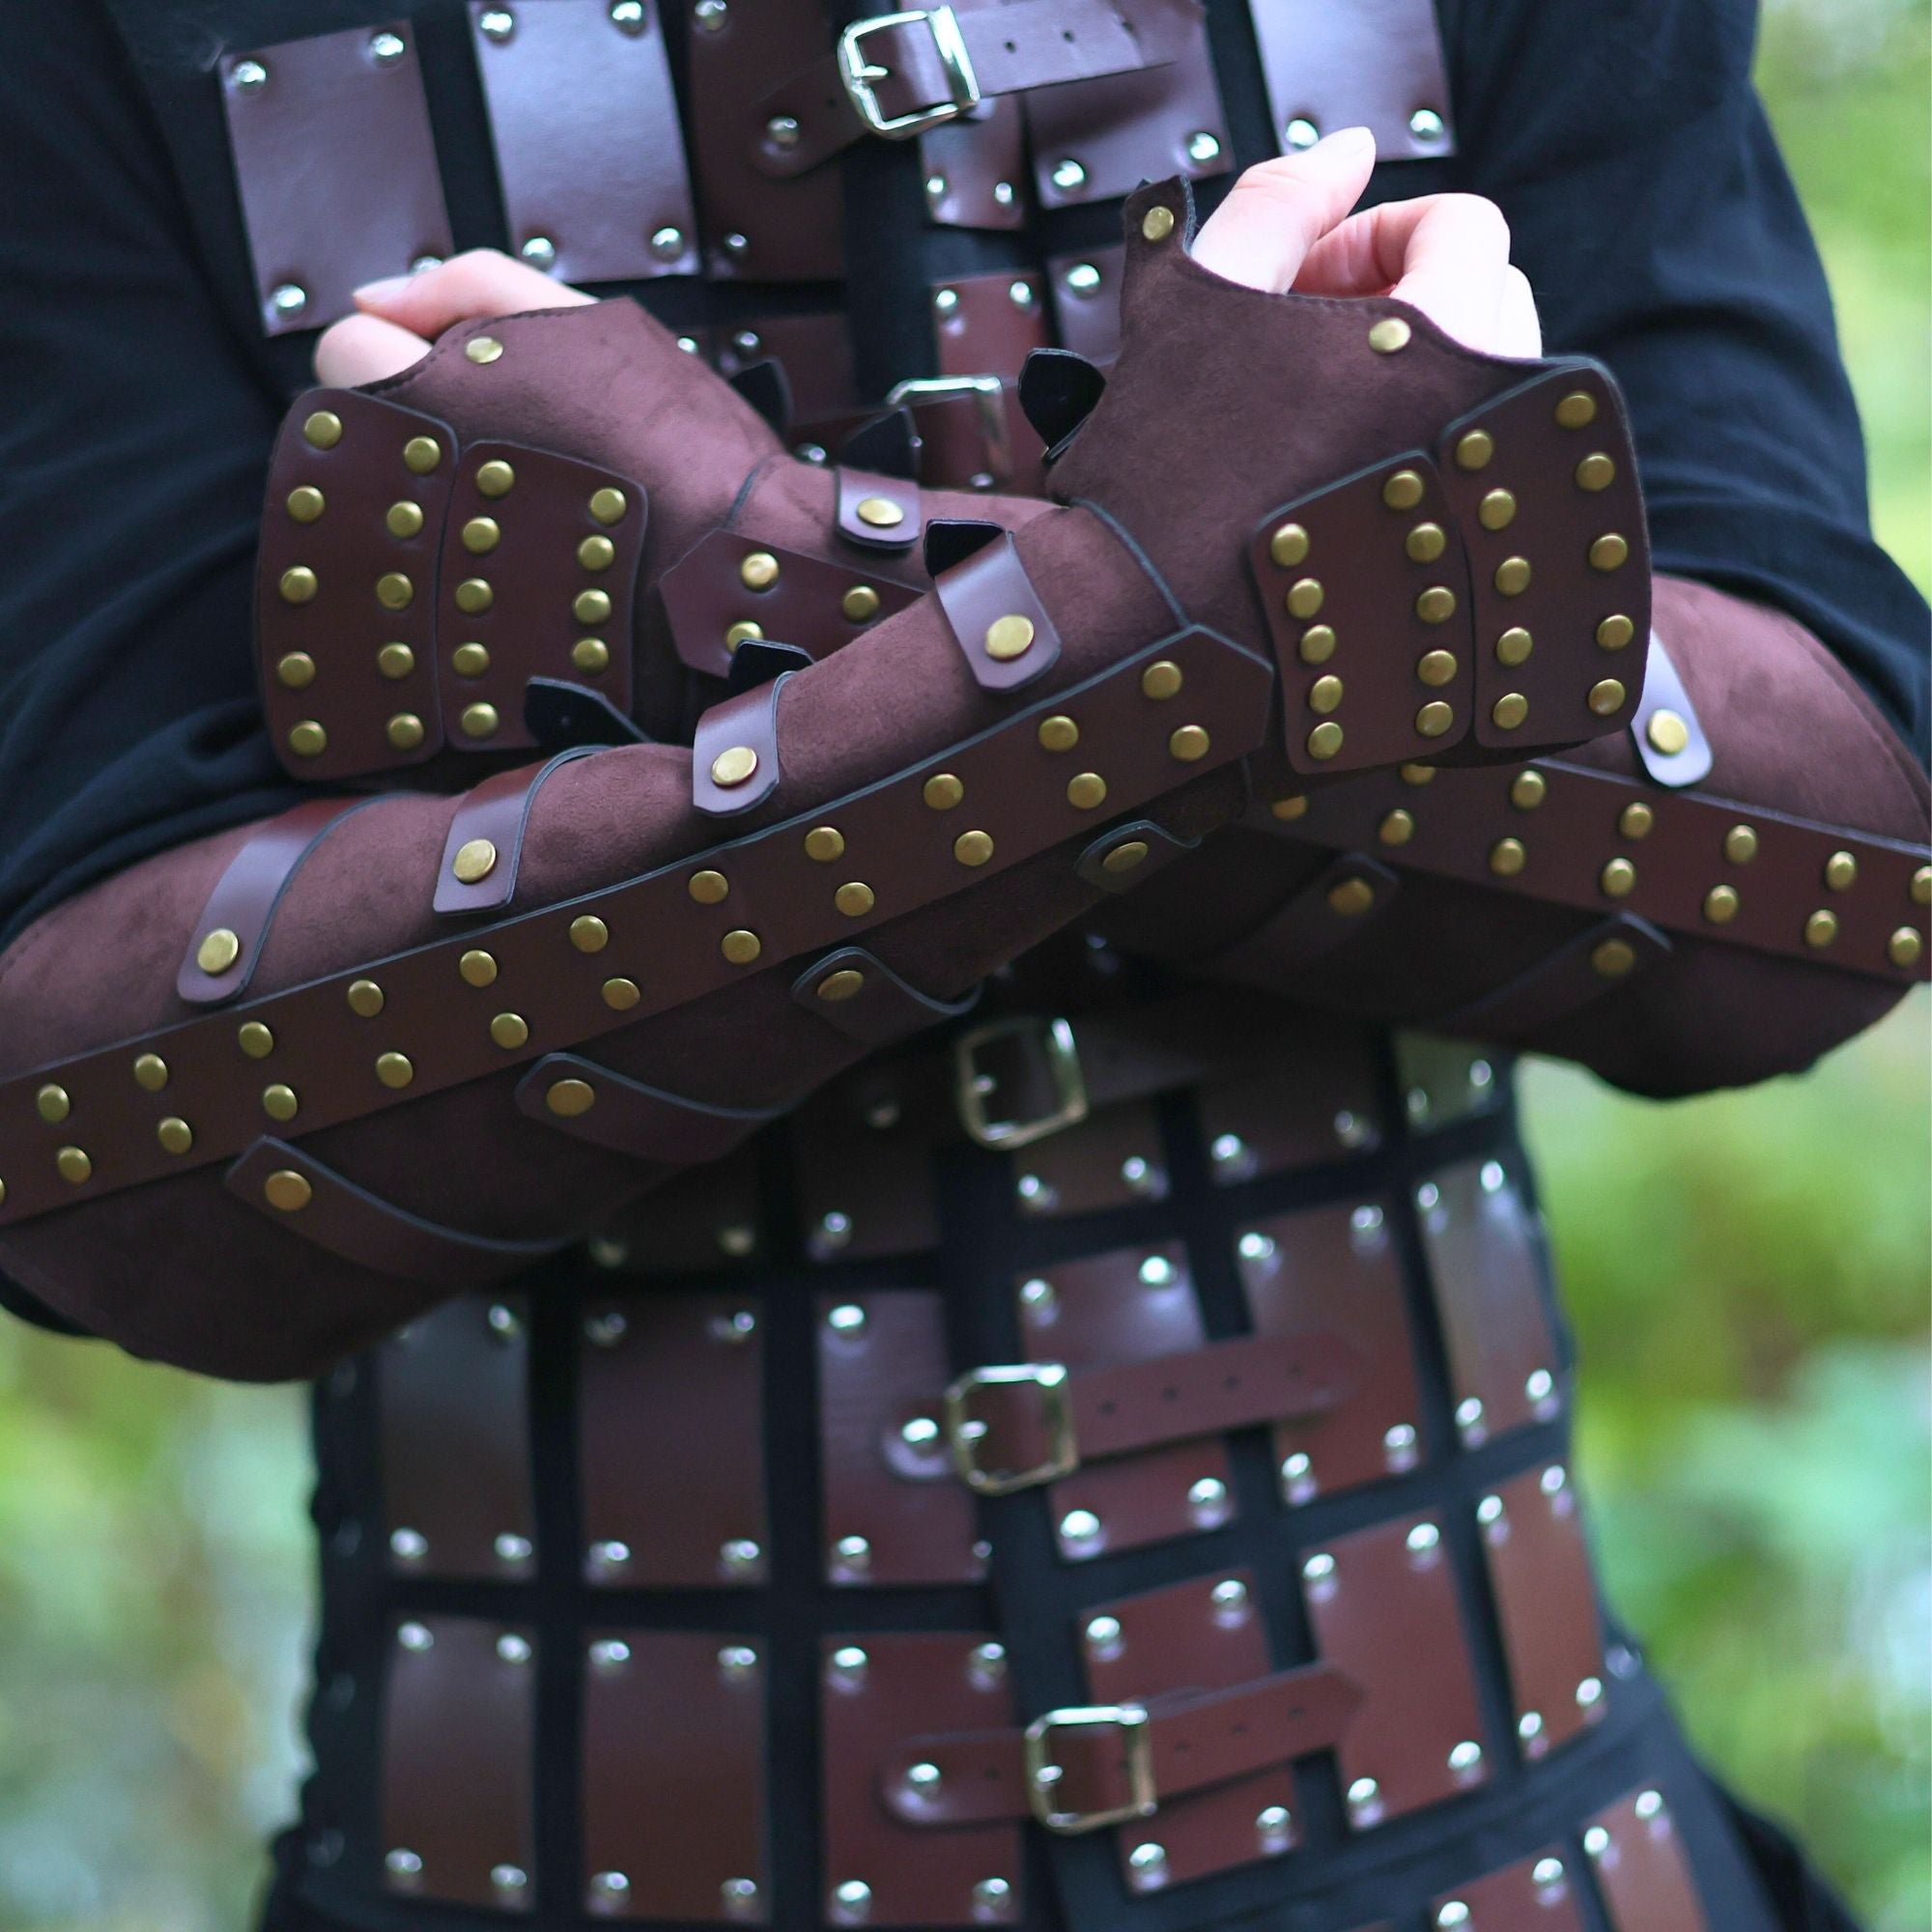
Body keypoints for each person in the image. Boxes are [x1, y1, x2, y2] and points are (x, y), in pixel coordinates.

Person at [0, 2, 1925, 1928]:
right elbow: (76, 1143)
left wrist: (762, 588)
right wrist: (1203, 617)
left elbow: (1854, 856)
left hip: (1497, 1860)